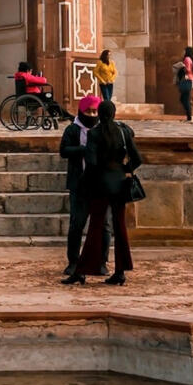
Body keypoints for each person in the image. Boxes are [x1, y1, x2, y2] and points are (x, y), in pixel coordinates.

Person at [73, 100, 142, 287]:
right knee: (120, 227)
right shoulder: (123, 132)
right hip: (119, 183)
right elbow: (137, 158)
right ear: (113, 114)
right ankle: (120, 271)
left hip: (100, 184)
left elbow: (91, 162)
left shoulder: (94, 133)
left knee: (95, 227)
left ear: (99, 114)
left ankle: (82, 271)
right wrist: (123, 169)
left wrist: (86, 183)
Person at [59, 94, 112, 285]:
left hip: (100, 185)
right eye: (88, 111)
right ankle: (73, 262)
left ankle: (101, 261)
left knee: (104, 225)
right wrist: (83, 149)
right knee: (77, 224)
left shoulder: (103, 129)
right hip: (79, 184)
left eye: (95, 111)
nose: (91, 115)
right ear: (81, 111)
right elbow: (64, 150)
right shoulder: (72, 130)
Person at [179, 46, 193, 122]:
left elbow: (188, 69)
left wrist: (181, 68)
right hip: (189, 80)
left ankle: (189, 117)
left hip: (186, 80)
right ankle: (189, 117)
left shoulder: (187, 59)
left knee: (184, 99)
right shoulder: (191, 59)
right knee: (185, 99)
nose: (183, 52)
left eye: (184, 51)